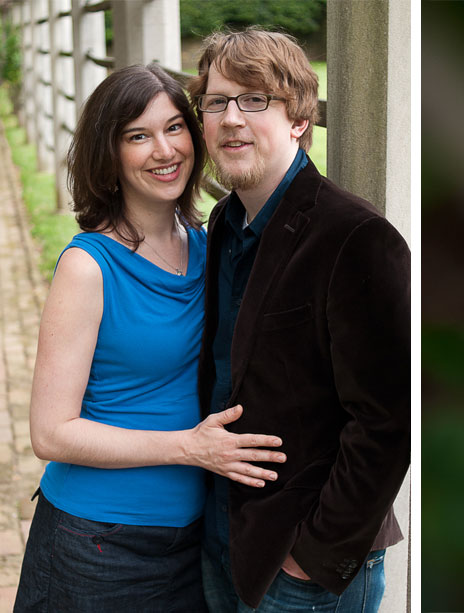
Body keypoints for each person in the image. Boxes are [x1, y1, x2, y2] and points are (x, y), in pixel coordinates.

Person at [14, 64, 287, 612]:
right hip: (96, 543)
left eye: (174, 128)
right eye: (138, 136)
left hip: (195, 540)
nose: (164, 150)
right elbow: (50, 432)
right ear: (109, 156)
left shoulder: (210, 248)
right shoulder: (89, 267)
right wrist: (190, 447)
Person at [188, 28, 411, 612]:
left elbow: (390, 424)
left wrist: (311, 560)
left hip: (300, 567)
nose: (231, 118)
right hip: (223, 541)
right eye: (217, 102)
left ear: (298, 121)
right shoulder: (224, 228)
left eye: (255, 99)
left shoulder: (356, 237)